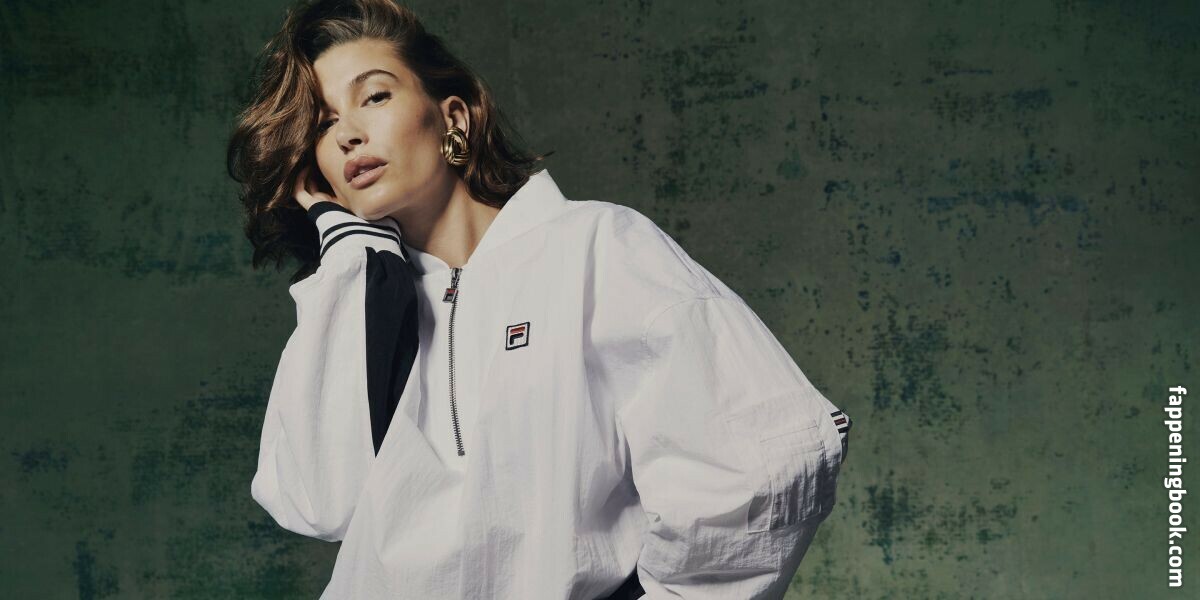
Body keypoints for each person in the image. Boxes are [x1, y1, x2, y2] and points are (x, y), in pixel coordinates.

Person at [226, 1, 853, 598]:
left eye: (375, 97)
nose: (347, 135)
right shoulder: (358, 301)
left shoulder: (595, 246)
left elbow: (763, 461)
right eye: (324, 123)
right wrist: (351, 259)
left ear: (452, 117)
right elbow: (318, 501)